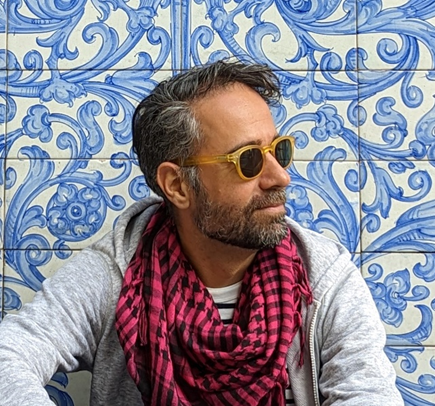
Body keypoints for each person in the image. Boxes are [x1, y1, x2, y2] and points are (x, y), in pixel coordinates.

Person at [0, 60, 404, 406]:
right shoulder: (116, 275)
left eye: (279, 151)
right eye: (248, 160)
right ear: (177, 185)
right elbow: (9, 356)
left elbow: (369, 394)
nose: (280, 177)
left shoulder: (324, 280)